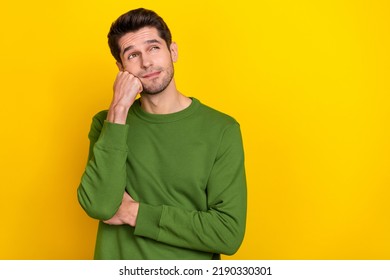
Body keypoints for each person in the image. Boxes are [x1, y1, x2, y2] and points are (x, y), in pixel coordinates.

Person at [77, 7, 247, 260]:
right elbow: (100, 205)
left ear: (173, 51)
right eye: (132, 54)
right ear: (120, 66)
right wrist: (119, 108)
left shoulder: (221, 129)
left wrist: (133, 213)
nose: (146, 62)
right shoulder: (107, 123)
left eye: (154, 47)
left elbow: (228, 234)